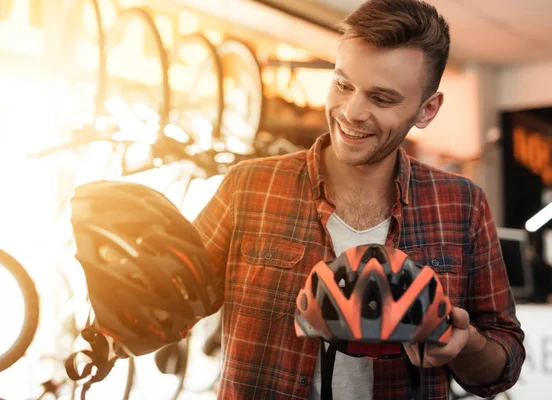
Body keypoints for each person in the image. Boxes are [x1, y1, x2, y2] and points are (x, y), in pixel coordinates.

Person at [192, 0, 525, 398]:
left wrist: (465, 343)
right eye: (343, 85)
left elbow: (502, 365)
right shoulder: (248, 186)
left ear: (427, 109)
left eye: (381, 99)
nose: (351, 112)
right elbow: (172, 307)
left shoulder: (462, 204)